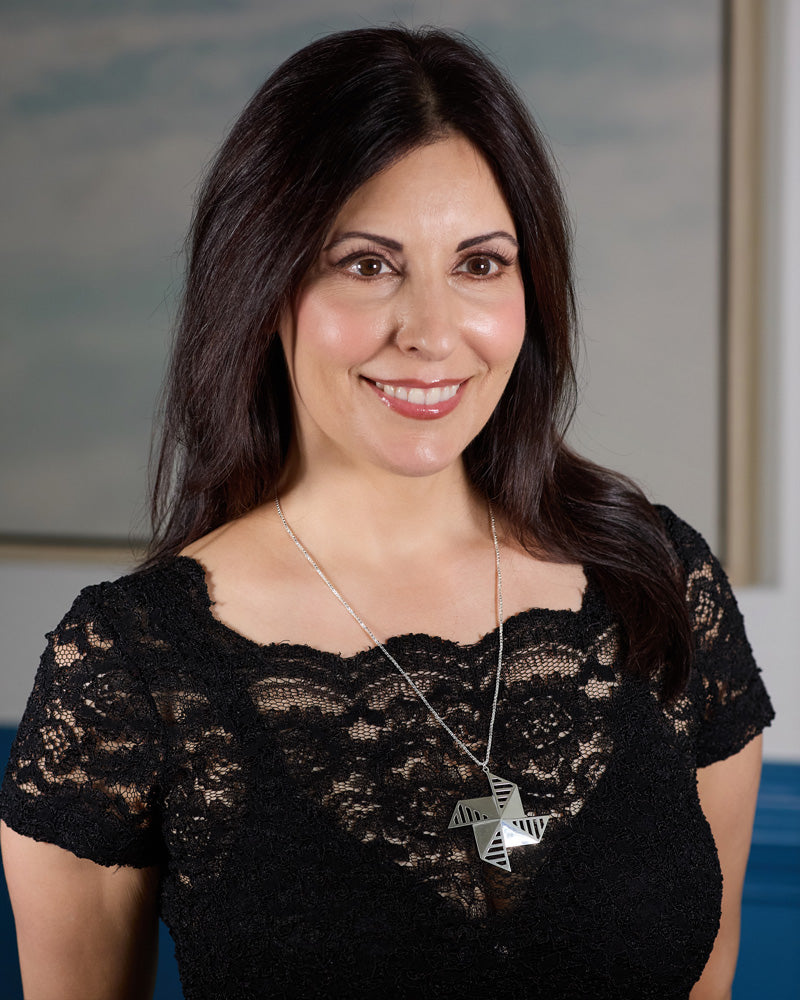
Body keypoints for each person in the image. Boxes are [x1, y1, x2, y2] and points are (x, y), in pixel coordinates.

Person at [0, 25, 773, 1000]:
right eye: (367, 264)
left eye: (480, 264)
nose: (432, 330)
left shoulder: (660, 586)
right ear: (264, 280)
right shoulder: (124, 665)